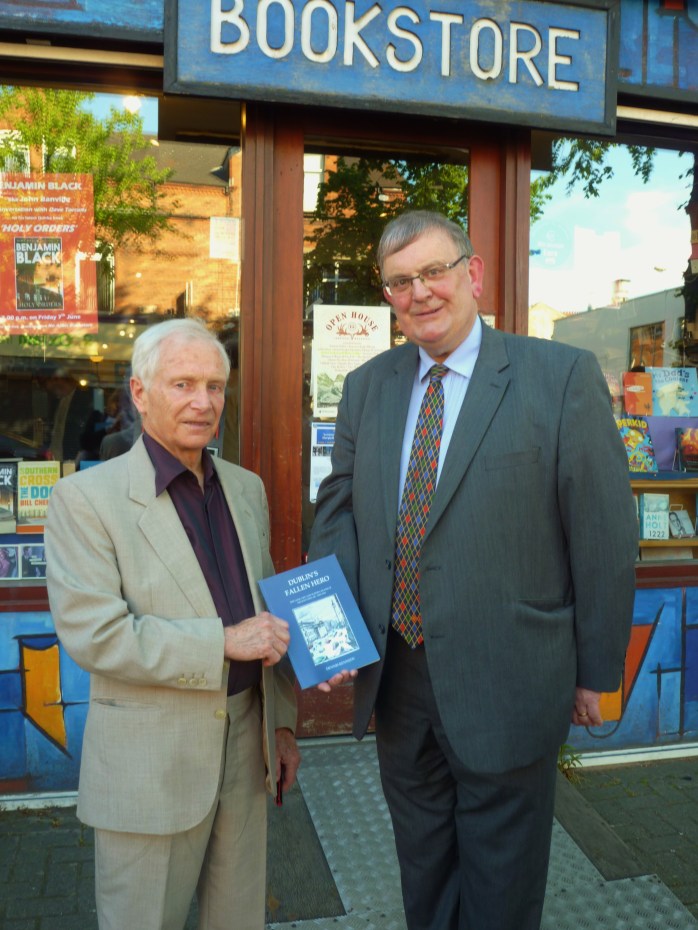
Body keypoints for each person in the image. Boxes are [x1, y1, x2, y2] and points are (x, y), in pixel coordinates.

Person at [309, 210, 639, 930]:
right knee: (423, 870)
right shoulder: (368, 386)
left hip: (511, 676)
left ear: (474, 274)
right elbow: (337, 513)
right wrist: (329, 633)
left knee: (501, 885)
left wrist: (596, 670)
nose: (420, 292)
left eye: (434, 271)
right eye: (401, 281)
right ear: (388, 296)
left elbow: (605, 535)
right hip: (398, 678)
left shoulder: (559, 377)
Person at [45, 318, 300, 930]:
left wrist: (283, 726)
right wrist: (224, 641)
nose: (203, 402)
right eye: (183, 383)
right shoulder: (86, 499)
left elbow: (268, 612)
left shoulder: (246, 489)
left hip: (244, 746)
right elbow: (97, 636)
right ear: (139, 393)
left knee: (236, 919)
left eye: (215, 386)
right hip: (149, 763)